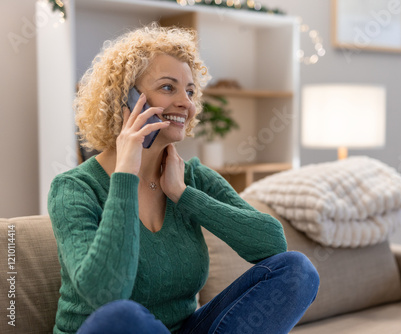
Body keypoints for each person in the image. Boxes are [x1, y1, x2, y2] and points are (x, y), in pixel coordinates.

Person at [48, 24, 319, 334]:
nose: (186, 103)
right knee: (122, 316)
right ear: (126, 99)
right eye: (168, 87)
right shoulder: (74, 188)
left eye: (190, 91)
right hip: (113, 328)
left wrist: (184, 195)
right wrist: (125, 175)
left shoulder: (191, 176)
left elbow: (271, 242)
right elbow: (105, 295)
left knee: (298, 271)